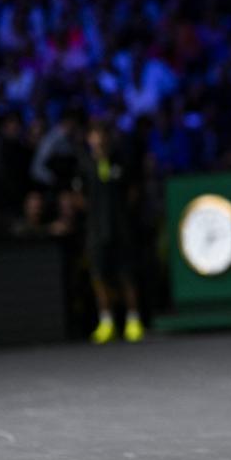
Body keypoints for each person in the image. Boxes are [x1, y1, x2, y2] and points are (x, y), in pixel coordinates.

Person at [79, 122, 145, 344]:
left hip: (121, 229)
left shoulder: (122, 161)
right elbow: (79, 196)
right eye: (94, 134)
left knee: (126, 275)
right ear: (89, 139)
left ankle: (133, 320)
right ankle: (106, 322)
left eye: (102, 134)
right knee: (99, 276)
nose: (98, 139)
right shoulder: (85, 164)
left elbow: (133, 193)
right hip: (96, 231)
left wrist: (121, 214)